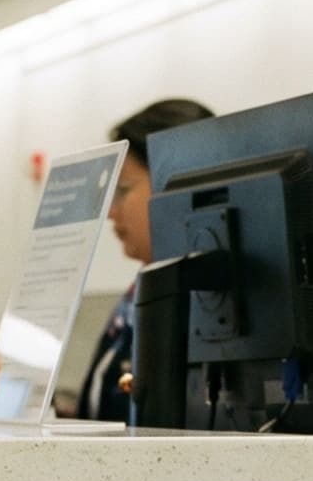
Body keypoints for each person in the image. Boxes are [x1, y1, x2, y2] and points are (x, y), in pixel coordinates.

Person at [77, 98, 215, 422]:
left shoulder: (209, 306)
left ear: (177, 184)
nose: (111, 212)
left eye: (123, 191)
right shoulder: (136, 297)